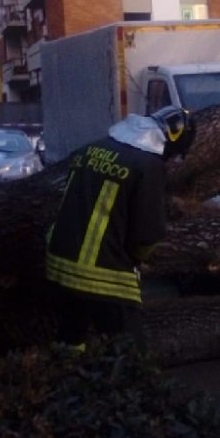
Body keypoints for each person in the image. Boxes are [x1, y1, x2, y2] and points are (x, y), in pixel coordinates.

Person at [45, 106, 194, 348]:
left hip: (59, 264)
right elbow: (147, 232)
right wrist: (140, 257)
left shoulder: (92, 148)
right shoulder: (148, 165)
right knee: (128, 351)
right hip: (104, 273)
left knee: (71, 341)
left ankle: (68, 370)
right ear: (171, 141)